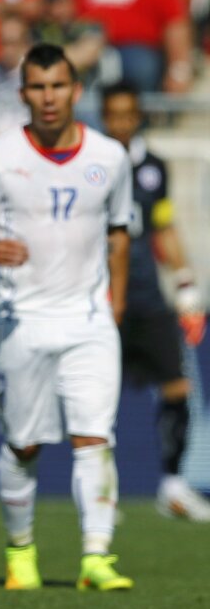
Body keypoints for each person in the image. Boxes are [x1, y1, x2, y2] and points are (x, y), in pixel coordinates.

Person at [0, 44, 134, 592]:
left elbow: (120, 232)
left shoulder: (109, 156)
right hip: (22, 319)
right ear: (24, 93)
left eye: (58, 85)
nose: (49, 97)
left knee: (94, 438)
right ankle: (21, 551)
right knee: (23, 445)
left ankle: (96, 558)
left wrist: (116, 301)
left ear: (76, 90)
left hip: (88, 319)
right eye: (38, 87)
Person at [100, 82, 210, 521]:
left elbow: (162, 227)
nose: (122, 123)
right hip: (103, 295)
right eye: (114, 115)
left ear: (139, 115)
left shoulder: (153, 168)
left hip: (146, 293)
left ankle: (173, 483)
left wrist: (185, 282)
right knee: (97, 395)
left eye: (129, 114)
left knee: (177, 385)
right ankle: (100, 490)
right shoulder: (91, 164)